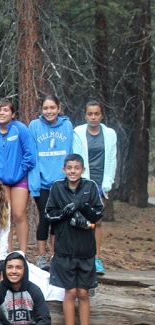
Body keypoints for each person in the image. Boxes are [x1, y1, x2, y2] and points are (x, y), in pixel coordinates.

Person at [46, 153, 103, 325]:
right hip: (64, 249)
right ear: (64, 169)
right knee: (70, 292)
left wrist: (81, 206)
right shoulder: (56, 187)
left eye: (76, 167)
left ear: (82, 170)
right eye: (69, 167)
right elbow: (49, 214)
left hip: (85, 250)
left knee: (83, 293)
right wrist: (66, 212)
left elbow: (98, 213)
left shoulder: (90, 187)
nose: (72, 171)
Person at [0, 99, 35, 254]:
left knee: (18, 214)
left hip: (19, 179)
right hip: (1, 181)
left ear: (13, 114)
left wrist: (20, 170)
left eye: (5, 110)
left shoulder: (20, 129)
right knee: (6, 216)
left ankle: (22, 254)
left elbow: (30, 154)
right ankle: (7, 253)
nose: (1, 113)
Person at [28, 95, 75, 270]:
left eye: (52, 108)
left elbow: (70, 152)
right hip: (43, 184)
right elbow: (33, 156)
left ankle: (56, 255)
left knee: (59, 220)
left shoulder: (67, 126)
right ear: (41, 109)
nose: (49, 111)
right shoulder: (34, 126)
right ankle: (41, 256)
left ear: (59, 108)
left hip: (62, 183)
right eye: (46, 108)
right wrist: (35, 184)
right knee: (45, 218)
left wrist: (70, 180)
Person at [73, 100, 117, 275]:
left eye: (96, 114)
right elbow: (76, 158)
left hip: (101, 183)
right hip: (83, 182)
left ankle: (96, 258)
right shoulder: (79, 132)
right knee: (81, 221)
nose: (93, 117)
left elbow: (113, 159)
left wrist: (108, 184)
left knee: (97, 221)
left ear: (101, 115)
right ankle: (80, 257)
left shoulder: (110, 134)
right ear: (85, 115)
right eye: (90, 114)